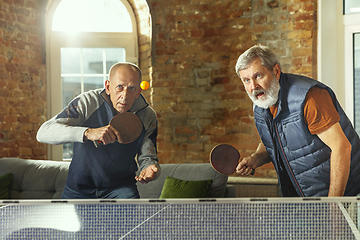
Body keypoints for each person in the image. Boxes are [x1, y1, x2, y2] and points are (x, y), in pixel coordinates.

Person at [234, 44, 360, 197]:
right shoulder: (262, 105)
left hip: (345, 196)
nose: (253, 86)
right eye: (246, 80)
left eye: (258, 76)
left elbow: (342, 147)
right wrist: (256, 158)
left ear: (276, 71)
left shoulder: (310, 98)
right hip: (301, 200)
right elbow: (275, 142)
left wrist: (333, 205)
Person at [37, 62, 160, 199]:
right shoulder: (86, 103)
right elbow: (44, 132)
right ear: (108, 87)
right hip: (78, 189)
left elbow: (148, 157)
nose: (124, 96)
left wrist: (150, 168)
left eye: (131, 89)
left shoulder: (148, 116)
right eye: (119, 87)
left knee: (132, 221)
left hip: (121, 189)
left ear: (138, 92)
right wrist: (87, 133)